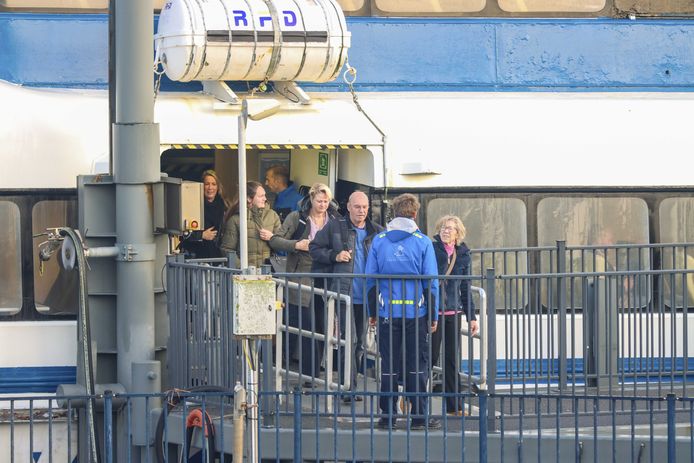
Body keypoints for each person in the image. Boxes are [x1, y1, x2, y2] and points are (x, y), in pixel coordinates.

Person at [365, 193, 441, 430]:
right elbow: (432, 283)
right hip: (416, 315)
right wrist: (433, 315)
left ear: (394, 213)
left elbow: (370, 280)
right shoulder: (422, 242)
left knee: (388, 365)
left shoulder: (379, 240)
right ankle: (418, 416)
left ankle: (387, 416)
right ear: (415, 213)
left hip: (387, 313)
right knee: (416, 365)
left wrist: (373, 312)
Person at [309, 191, 384, 402]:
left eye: (365, 207)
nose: (362, 211)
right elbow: (315, 248)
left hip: (367, 295)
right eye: (357, 207)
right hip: (343, 293)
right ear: (348, 207)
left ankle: (352, 385)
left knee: (360, 343)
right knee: (347, 340)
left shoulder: (377, 231)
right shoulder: (335, 226)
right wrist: (335, 255)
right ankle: (347, 388)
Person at [268, 183, 340, 384]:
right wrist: (296, 245)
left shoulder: (334, 219)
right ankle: (289, 370)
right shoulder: (296, 217)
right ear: (311, 199)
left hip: (325, 276)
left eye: (326, 201)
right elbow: (275, 240)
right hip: (300, 277)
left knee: (320, 327)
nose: (323, 205)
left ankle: (312, 374)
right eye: (319, 201)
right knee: (300, 325)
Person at [431, 215, 478, 416]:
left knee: (452, 360)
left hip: (454, 311)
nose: (446, 230)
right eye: (443, 227)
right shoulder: (432, 250)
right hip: (434, 312)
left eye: (450, 228)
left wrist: (471, 316)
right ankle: (413, 400)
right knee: (429, 358)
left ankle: (454, 407)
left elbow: (465, 288)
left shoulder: (463, 255)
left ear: (458, 233)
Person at [220, 181, 282, 269]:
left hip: (267, 274)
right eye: (261, 196)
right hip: (244, 276)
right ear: (249, 198)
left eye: (265, 195)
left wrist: (272, 238)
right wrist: (243, 269)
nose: (265, 199)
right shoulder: (235, 219)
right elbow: (227, 250)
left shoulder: (273, 216)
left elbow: (282, 245)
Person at [178, 170, 230, 259]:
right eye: (207, 184)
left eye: (214, 184)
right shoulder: (192, 205)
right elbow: (182, 234)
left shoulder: (225, 206)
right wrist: (201, 235)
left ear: (218, 187)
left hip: (217, 257)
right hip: (195, 257)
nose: (210, 187)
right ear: (201, 186)